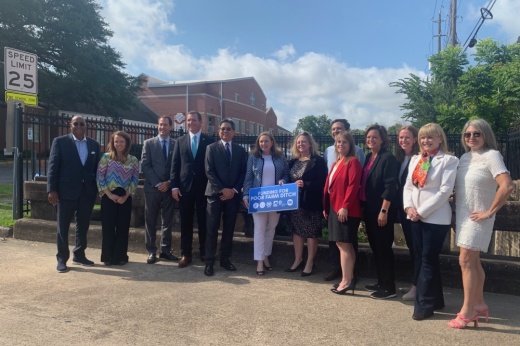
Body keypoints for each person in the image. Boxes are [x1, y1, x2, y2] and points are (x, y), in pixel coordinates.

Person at [449, 119, 514, 329]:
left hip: (479, 217)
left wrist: (490, 211)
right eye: (468, 134)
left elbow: (507, 185)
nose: (471, 138)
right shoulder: (465, 157)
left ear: (485, 135)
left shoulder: (492, 156)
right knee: (473, 262)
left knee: (465, 261)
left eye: (477, 134)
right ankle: (478, 304)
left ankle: (467, 311)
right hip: (463, 216)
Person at [403, 123, 459, 321]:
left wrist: (422, 211)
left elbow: (445, 191)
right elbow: (409, 186)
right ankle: (436, 300)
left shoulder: (449, 160)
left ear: (440, 138)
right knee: (424, 257)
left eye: (430, 138)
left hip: (435, 217)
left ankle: (424, 305)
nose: (426, 141)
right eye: (423, 138)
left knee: (427, 258)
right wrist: (409, 208)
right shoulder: (417, 159)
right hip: (415, 215)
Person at [47, 115, 101, 273]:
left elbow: (97, 169)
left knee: (83, 225)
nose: (79, 126)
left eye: (82, 124)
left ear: (86, 126)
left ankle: (79, 253)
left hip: (87, 192)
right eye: (75, 123)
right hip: (65, 192)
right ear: (70, 125)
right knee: (63, 226)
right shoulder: (60, 142)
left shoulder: (94, 145)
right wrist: (52, 189)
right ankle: (62, 258)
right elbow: (52, 167)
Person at [323, 119, 365, 282]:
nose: (340, 143)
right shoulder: (334, 160)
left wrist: (345, 205)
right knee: (338, 243)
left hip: (345, 206)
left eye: (344, 141)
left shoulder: (353, 159)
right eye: (338, 141)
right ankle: (344, 273)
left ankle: (348, 278)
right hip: (334, 205)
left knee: (345, 243)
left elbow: (354, 185)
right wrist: (327, 206)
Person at [203, 119, 247, 276]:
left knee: (229, 229)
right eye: (222, 129)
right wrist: (222, 190)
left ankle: (225, 259)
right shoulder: (211, 148)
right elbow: (209, 171)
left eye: (228, 129)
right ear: (218, 131)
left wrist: (233, 190)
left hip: (233, 196)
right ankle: (209, 261)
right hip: (215, 195)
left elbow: (243, 172)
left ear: (234, 132)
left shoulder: (241, 151)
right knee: (212, 229)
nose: (225, 131)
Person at [170, 111, 214, 268]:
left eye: (193, 120)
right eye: (188, 120)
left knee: (204, 221)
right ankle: (185, 253)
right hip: (185, 188)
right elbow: (175, 166)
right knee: (185, 222)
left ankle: (204, 252)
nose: (190, 123)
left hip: (204, 188)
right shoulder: (179, 141)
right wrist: (174, 186)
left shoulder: (209, 141)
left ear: (200, 122)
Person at [242, 132, 289, 276]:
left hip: (275, 198)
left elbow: (286, 174)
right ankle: (259, 261)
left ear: (272, 142)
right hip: (258, 198)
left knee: (271, 228)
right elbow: (248, 178)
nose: (263, 144)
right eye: (261, 141)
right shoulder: (253, 157)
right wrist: (245, 194)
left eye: (266, 141)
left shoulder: (280, 158)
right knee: (259, 229)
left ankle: (266, 256)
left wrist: (283, 181)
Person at [360, 124, 398, 299]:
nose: (371, 140)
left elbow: (390, 186)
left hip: (381, 211)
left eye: (374, 137)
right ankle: (381, 282)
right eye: (368, 137)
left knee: (383, 248)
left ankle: (389, 287)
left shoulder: (387, 158)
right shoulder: (369, 157)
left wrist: (384, 210)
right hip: (369, 210)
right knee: (376, 247)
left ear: (382, 139)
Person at [284, 132, 327, 277]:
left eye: (303, 142)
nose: (300, 144)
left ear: (310, 144)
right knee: (297, 232)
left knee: (311, 234)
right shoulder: (292, 162)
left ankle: (310, 262)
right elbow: (287, 178)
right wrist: (284, 182)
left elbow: (322, 182)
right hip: (294, 203)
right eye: (298, 142)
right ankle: (298, 260)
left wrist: (305, 183)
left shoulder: (318, 161)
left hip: (311, 202)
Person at [96, 131, 139, 266]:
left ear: (126, 143)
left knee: (122, 227)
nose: (119, 144)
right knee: (108, 227)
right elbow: (100, 177)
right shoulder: (106, 158)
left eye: (121, 141)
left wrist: (126, 196)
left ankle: (120, 256)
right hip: (108, 196)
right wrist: (109, 194)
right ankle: (107, 257)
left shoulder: (133, 160)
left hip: (125, 197)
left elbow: (135, 179)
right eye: (116, 141)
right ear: (112, 143)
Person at [141, 116, 178, 264]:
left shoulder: (176, 144)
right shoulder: (148, 143)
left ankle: (165, 250)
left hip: (169, 189)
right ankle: (151, 251)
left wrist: (169, 183)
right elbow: (145, 165)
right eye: (160, 125)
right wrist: (158, 183)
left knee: (167, 221)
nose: (162, 127)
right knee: (150, 220)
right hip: (152, 189)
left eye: (165, 125)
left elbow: (177, 166)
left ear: (171, 127)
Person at [395, 126, 420, 300]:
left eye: (407, 137)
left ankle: (418, 287)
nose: (403, 140)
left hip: (415, 210)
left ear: (415, 139)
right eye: (401, 137)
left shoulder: (420, 159)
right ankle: (415, 283)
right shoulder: (401, 158)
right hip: (403, 209)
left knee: (418, 249)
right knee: (412, 247)